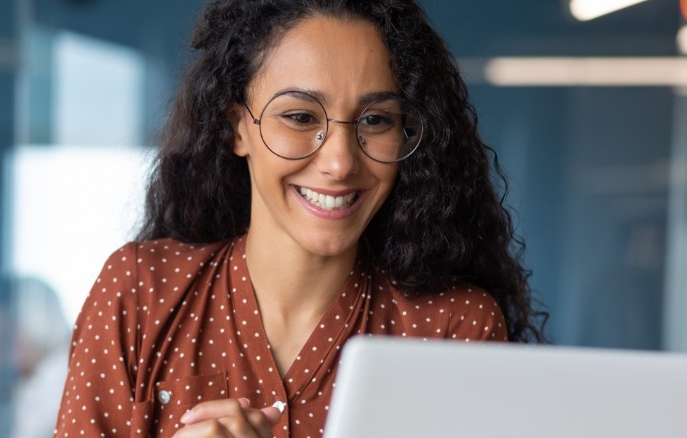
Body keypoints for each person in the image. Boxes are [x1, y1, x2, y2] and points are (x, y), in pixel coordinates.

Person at [54, 0, 546, 437]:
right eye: (300, 117)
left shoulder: (451, 329)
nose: (340, 163)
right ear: (237, 129)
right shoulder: (140, 293)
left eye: (376, 121)